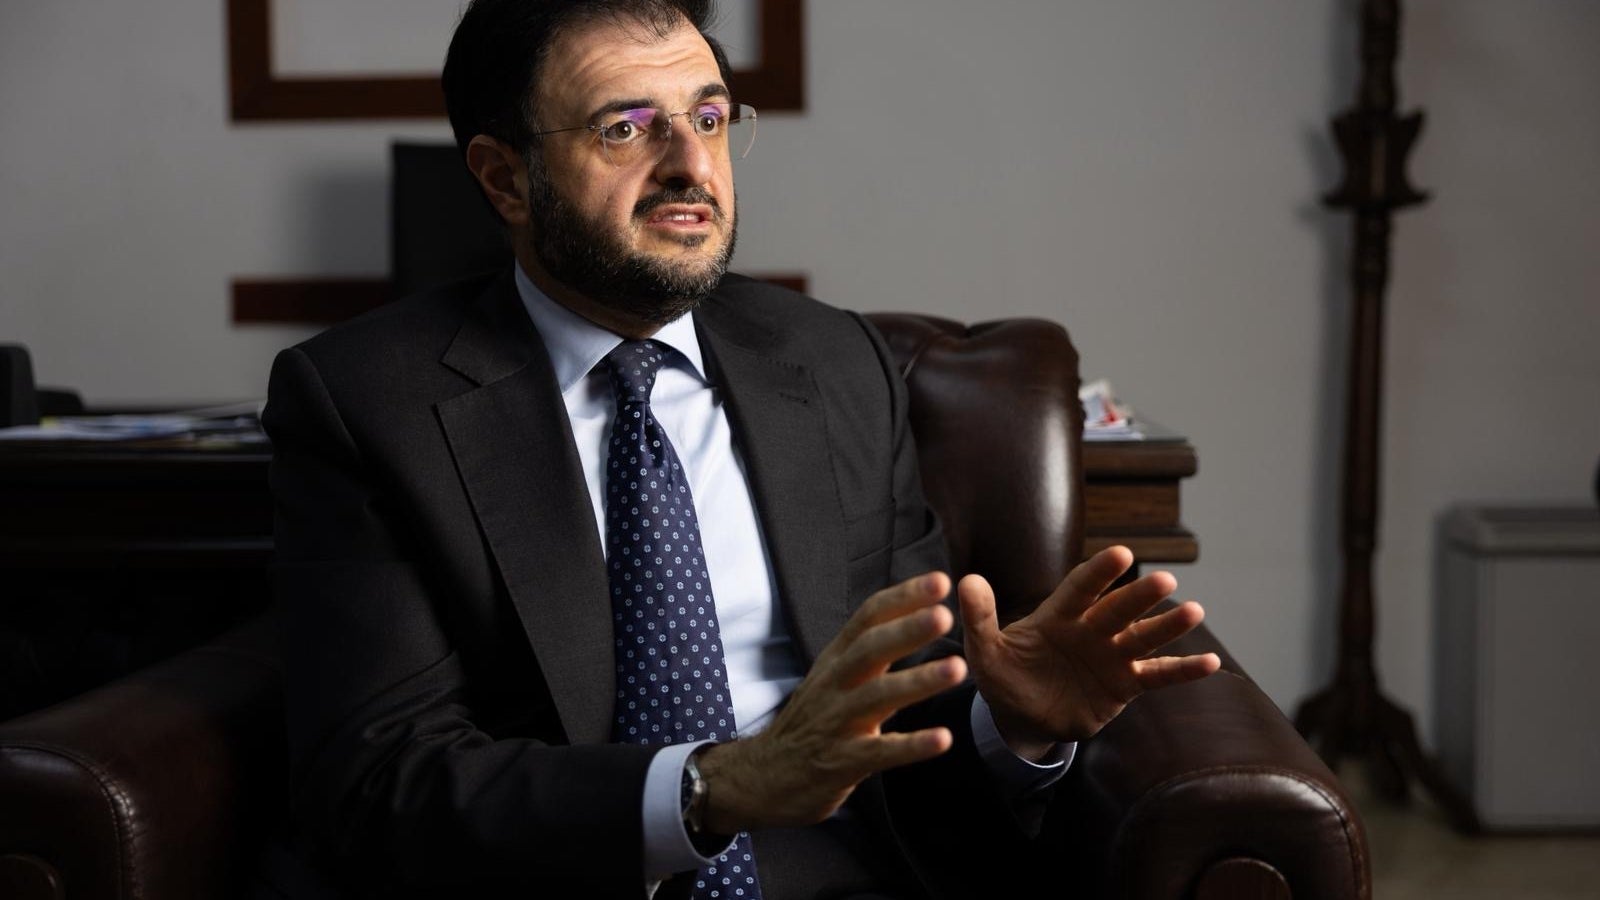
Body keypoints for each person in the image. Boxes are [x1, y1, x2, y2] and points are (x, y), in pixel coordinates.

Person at [257, 1, 1221, 897]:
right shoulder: (367, 401)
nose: (690, 165)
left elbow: (907, 729)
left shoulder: (836, 363)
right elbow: (379, 781)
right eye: (625, 128)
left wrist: (1012, 723)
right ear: (505, 176)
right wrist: (712, 789)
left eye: (709, 119)